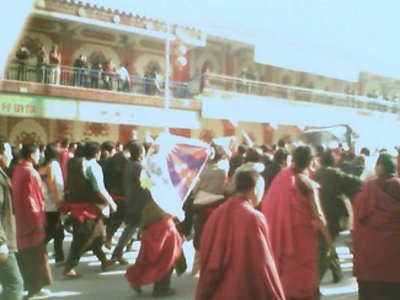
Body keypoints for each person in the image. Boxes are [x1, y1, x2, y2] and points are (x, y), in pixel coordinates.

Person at [196, 165, 285, 300]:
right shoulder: (254, 217)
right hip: (244, 289)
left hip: (218, 290)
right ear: (255, 189)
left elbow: (208, 253)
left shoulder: (217, 213)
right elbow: (263, 264)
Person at [261, 146, 332, 299]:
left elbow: (267, 204)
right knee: (305, 282)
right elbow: (318, 216)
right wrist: (329, 241)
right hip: (303, 242)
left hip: (281, 238)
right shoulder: (307, 184)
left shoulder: (281, 178)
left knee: (287, 279)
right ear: (309, 161)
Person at [63, 142, 116, 278]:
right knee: (83, 238)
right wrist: (111, 203)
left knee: (97, 235)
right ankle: (69, 267)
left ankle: (104, 260)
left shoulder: (75, 164)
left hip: (78, 205)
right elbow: (99, 189)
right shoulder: (93, 166)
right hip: (89, 207)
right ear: (97, 153)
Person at [353, 153, 400, 300]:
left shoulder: (366, 190)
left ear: (379, 168)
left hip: (369, 264)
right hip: (394, 264)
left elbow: (358, 222)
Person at [312, 150, 362, 283]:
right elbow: (356, 183)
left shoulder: (315, 175)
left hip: (318, 212)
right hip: (333, 214)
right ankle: (321, 276)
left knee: (326, 242)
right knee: (327, 244)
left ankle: (335, 271)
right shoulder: (335, 174)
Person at [125, 191, 186, 297]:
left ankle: (137, 279)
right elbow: (177, 212)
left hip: (150, 225)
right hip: (164, 226)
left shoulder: (150, 189)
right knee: (167, 258)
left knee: (147, 257)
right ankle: (162, 288)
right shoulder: (166, 191)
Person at [12, 143, 52, 298]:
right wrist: (38, 222)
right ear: (32, 154)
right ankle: (35, 288)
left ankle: (33, 286)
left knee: (27, 257)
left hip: (21, 221)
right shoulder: (31, 173)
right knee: (37, 258)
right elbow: (31, 201)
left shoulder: (18, 170)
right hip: (32, 223)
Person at [191, 144, 227, 275]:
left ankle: (196, 267)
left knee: (199, 235)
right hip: (217, 205)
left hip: (201, 205)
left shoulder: (201, 171)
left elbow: (195, 190)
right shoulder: (223, 171)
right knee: (216, 236)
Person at [111, 141, 146, 264]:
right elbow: (145, 184)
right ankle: (117, 253)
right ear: (141, 153)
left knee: (134, 228)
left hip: (131, 199)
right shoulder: (138, 166)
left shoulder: (130, 164)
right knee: (132, 227)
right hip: (139, 202)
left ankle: (120, 251)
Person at [0, 136, 24, 300]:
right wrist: (1, 242)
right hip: (2, 240)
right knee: (14, 285)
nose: (10, 156)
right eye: (7, 152)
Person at [38, 143, 65, 265]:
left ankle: (59, 257)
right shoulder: (54, 165)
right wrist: (58, 200)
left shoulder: (42, 165)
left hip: (45, 202)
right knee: (52, 232)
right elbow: (54, 184)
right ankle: (38, 252)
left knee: (57, 231)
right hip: (52, 202)